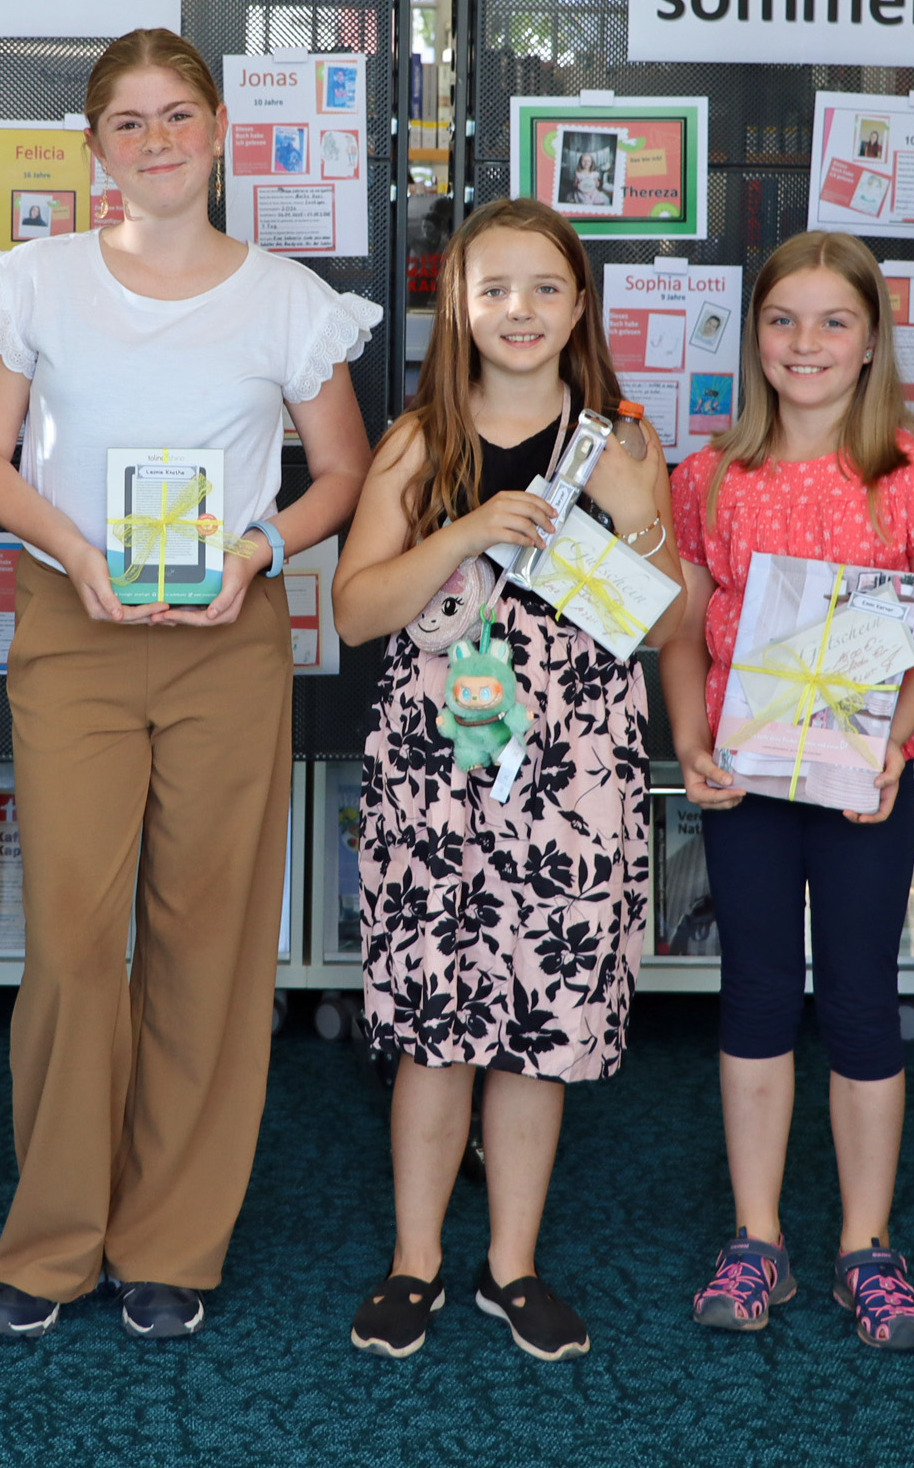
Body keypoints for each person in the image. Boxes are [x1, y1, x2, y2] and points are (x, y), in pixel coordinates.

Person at [0, 28, 375, 1340]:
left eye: (174, 116)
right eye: (125, 122)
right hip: (73, 629)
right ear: (93, 149)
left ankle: (171, 1240)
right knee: (74, 937)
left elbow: (343, 475)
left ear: (215, 136)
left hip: (224, 638)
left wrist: (256, 548)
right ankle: (55, 1236)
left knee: (206, 939)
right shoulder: (38, 282)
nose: (152, 141)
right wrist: (72, 551)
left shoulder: (289, 299)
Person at [329, 198, 680, 1361]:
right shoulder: (418, 440)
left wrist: (638, 529)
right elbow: (355, 609)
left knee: (542, 1024)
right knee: (436, 1027)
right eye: (494, 290)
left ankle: (512, 1264)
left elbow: (663, 615)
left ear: (579, 305)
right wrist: (466, 529)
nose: (518, 312)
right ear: (458, 307)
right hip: (439, 774)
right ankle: (414, 1260)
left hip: (576, 774)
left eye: (543, 289)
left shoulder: (622, 441)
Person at [660, 230, 914, 1354]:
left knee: (857, 996)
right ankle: (757, 1241)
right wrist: (693, 740)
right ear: (754, 337)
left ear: (872, 342)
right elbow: (686, 635)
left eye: (833, 321)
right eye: (783, 319)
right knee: (752, 993)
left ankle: (864, 1247)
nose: (806, 342)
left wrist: (889, 744)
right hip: (746, 780)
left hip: (861, 784)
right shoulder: (709, 479)